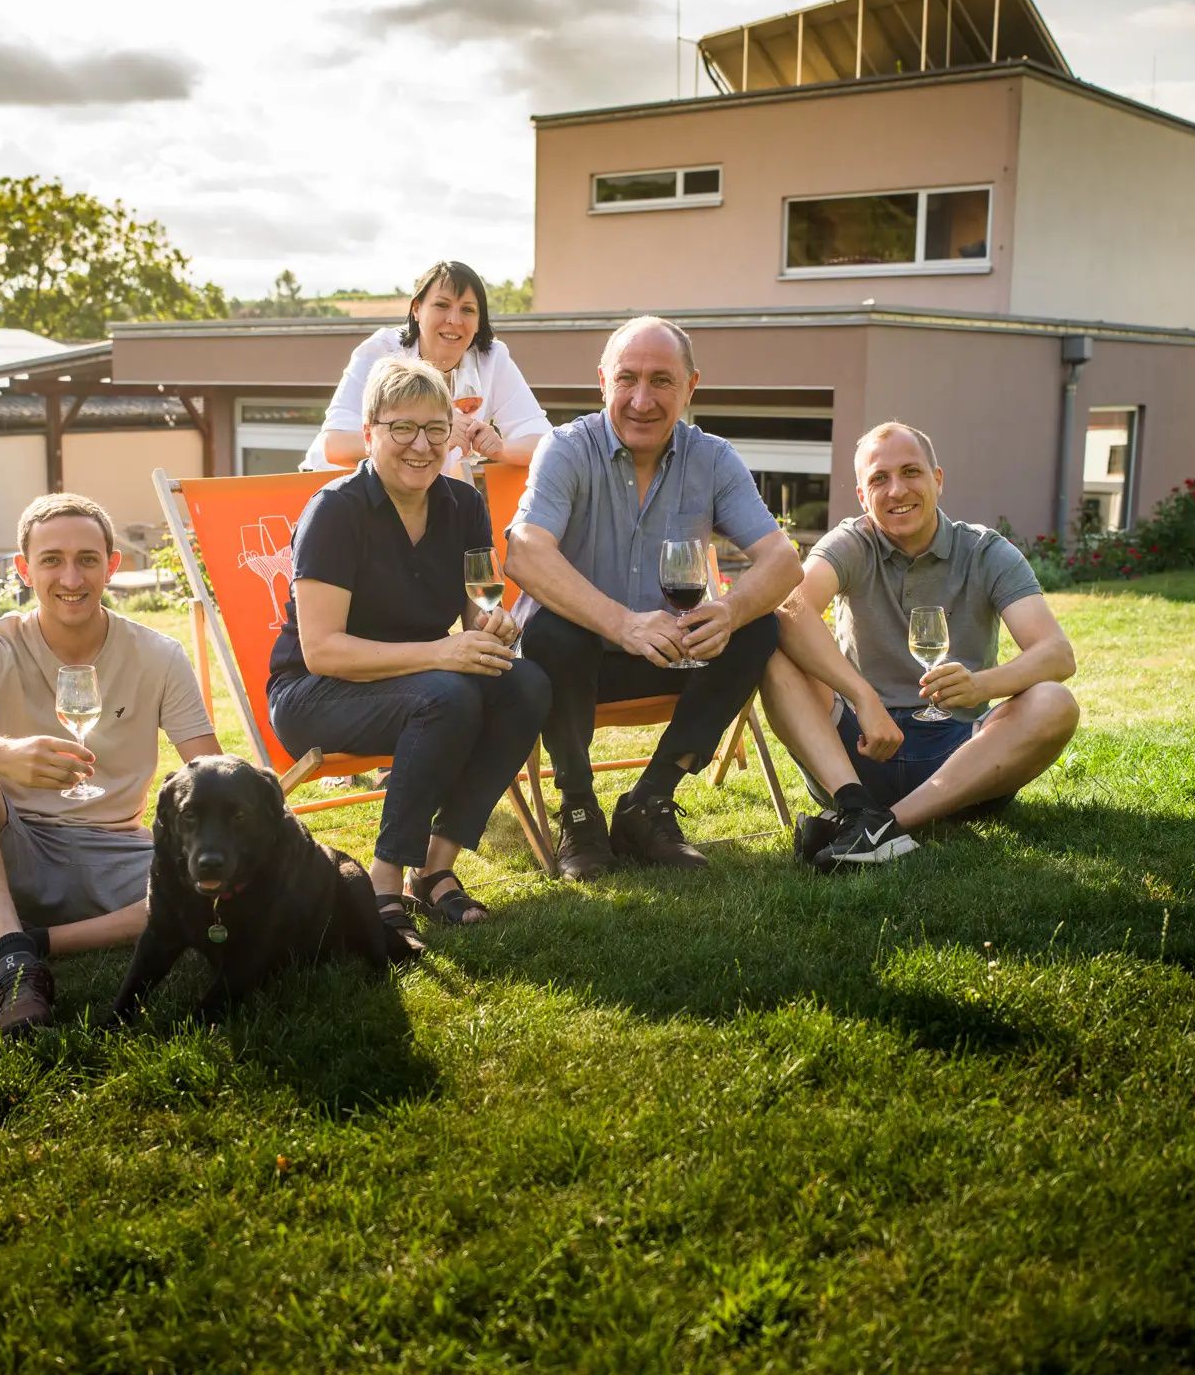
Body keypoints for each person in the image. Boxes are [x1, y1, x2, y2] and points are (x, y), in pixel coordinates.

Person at [0, 494, 220, 1042]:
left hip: (116, 856)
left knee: (210, 886)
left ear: (112, 565)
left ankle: (16, 945)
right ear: (23, 568)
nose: (71, 577)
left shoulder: (159, 656)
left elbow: (208, 770)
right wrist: (4, 755)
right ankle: (14, 970)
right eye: (51, 559)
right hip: (9, 858)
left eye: (87, 559)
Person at [504, 315, 802, 877]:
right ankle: (578, 810)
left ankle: (649, 800)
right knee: (550, 629)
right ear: (603, 383)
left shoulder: (712, 458)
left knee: (757, 627)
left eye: (662, 381)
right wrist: (623, 624)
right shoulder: (566, 449)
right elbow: (524, 553)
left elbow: (784, 560)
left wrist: (731, 609)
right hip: (572, 667)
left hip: (671, 653)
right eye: (627, 379)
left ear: (691, 387)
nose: (642, 399)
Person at [269, 355, 551, 948]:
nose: (421, 445)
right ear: (370, 432)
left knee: (526, 684)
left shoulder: (463, 504)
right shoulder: (335, 511)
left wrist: (491, 625)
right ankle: (384, 880)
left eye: (435, 428)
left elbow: (475, 606)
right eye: (402, 428)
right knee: (447, 694)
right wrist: (442, 654)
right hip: (316, 694)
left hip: (419, 684)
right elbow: (321, 651)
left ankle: (437, 867)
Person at [758, 422, 1080, 870]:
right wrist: (862, 697)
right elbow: (789, 609)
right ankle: (857, 807)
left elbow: (1057, 654)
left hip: (962, 759)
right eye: (879, 478)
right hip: (862, 750)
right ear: (861, 495)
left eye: (911, 472)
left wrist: (982, 685)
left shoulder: (986, 551)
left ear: (938, 480)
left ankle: (877, 826)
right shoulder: (852, 542)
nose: (896, 490)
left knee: (1054, 701)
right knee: (771, 654)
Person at [301, 259, 551, 478]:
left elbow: (546, 444)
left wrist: (500, 450)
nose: (454, 320)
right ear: (417, 310)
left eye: (468, 310)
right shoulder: (381, 351)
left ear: (479, 321)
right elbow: (335, 446)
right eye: (442, 305)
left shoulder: (492, 358)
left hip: (420, 497)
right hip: (335, 490)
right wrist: (433, 434)